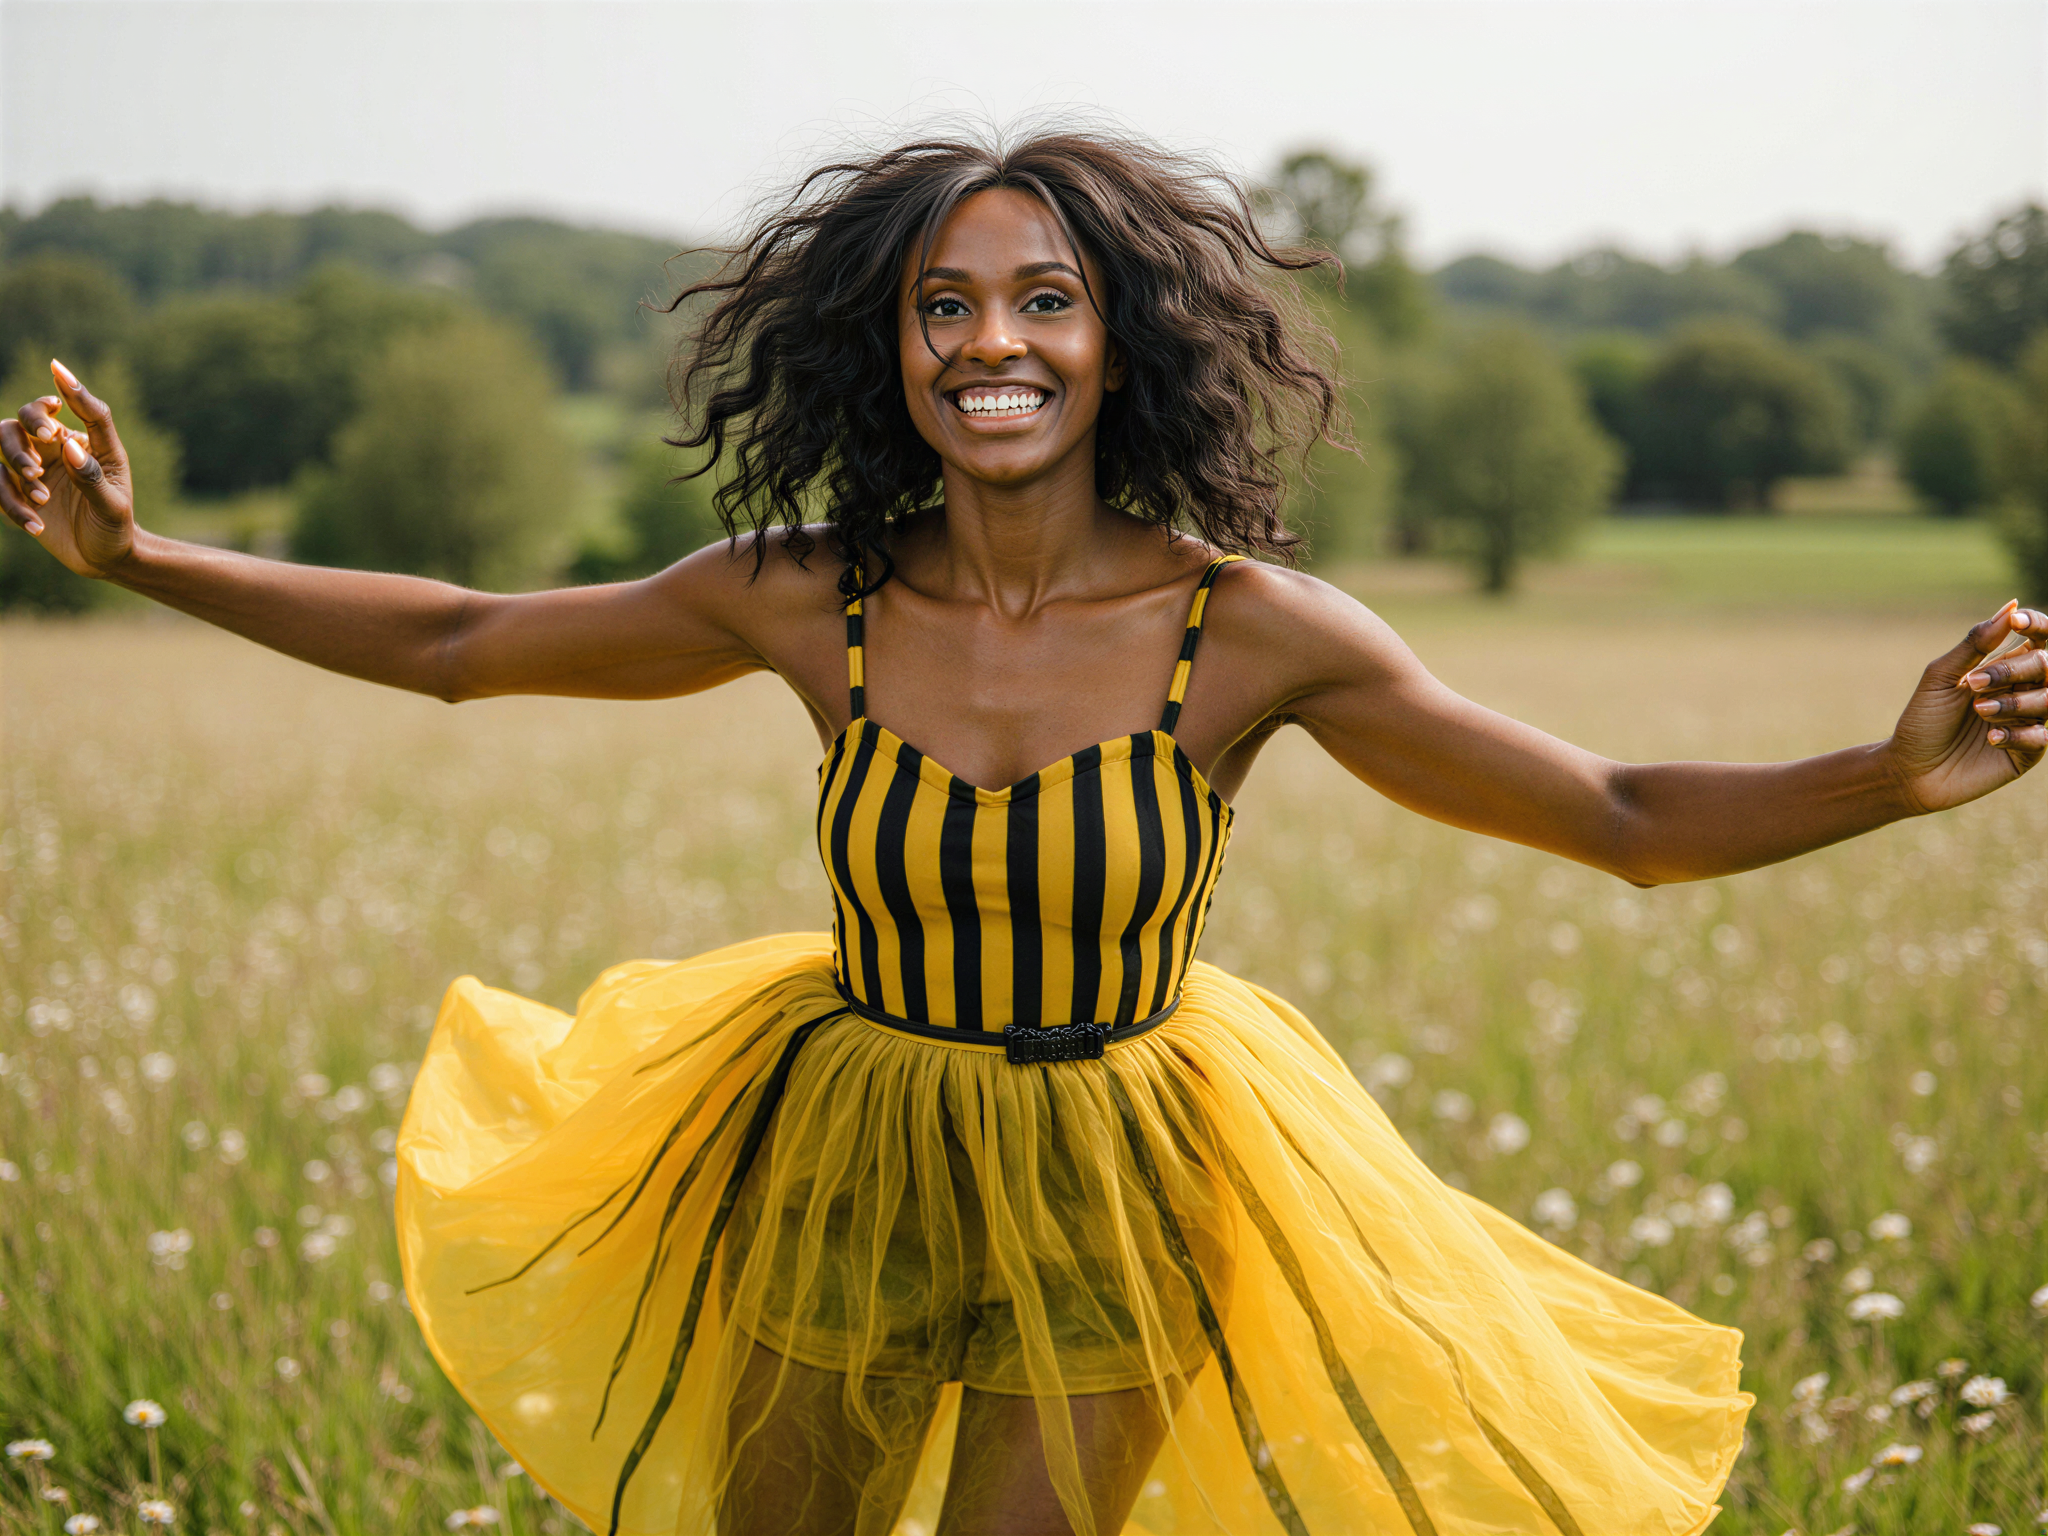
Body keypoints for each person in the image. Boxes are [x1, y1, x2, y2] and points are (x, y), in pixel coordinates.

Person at [2, 128, 2041, 1536]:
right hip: (838, 1149)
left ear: (1114, 335)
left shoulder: (1249, 635)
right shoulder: (807, 593)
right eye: (943, 307)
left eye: (1043, 300)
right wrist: (138, 551)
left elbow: (1612, 815)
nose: (992, 341)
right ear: (884, 352)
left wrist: (1883, 776)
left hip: (1119, 1174)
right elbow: (458, 639)